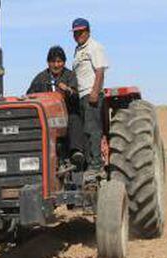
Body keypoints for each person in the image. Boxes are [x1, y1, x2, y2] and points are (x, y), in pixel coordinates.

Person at [27, 46, 84, 164]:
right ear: (48, 63)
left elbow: (75, 95)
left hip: (66, 114)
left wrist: (67, 89)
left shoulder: (70, 75)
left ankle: (76, 152)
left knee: (75, 118)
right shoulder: (40, 78)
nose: (56, 65)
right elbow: (29, 95)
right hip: (46, 118)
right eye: (53, 62)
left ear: (64, 62)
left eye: (59, 62)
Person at [72, 18, 109, 177]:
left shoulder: (95, 47)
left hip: (90, 93)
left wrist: (95, 92)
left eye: (81, 31)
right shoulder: (78, 50)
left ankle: (96, 165)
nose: (78, 35)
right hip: (81, 95)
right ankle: (88, 163)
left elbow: (100, 71)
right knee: (84, 130)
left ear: (88, 31)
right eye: (75, 32)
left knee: (92, 129)